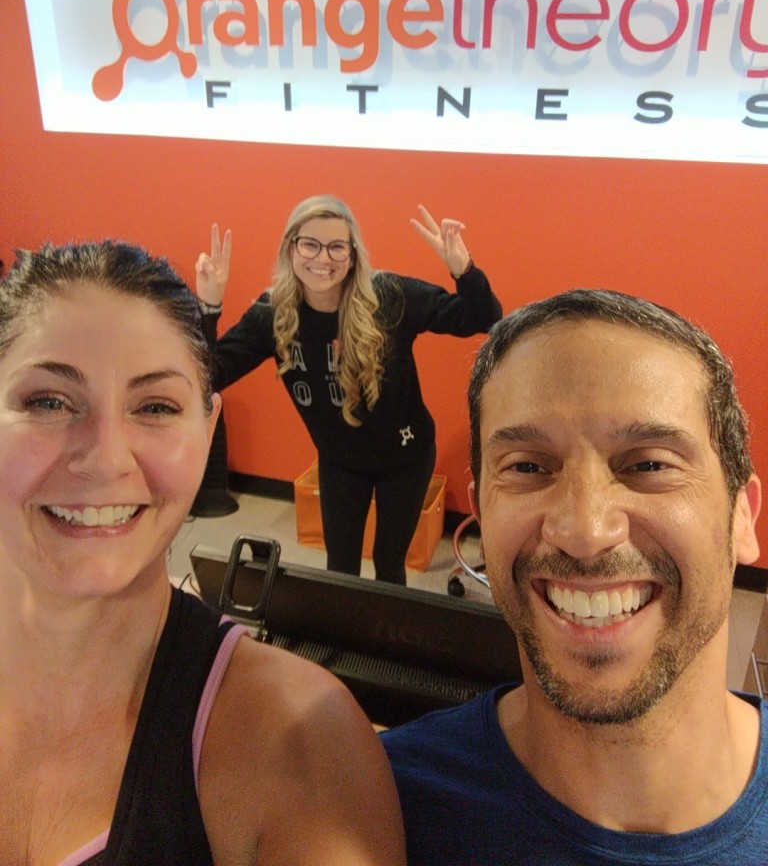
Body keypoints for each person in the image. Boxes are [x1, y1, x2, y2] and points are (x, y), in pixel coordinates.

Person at [0, 240, 405, 866]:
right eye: (48, 402)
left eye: (155, 407)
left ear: (207, 429)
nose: (105, 459)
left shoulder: (299, 742)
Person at [382, 288, 766, 865]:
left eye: (649, 464)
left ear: (742, 517)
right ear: (482, 515)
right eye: (528, 467)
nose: (584, 531)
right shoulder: (380, 812)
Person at [195, 197, 502, 585]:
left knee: (389, 564)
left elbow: (484, 318)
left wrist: (463, 268)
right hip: (340, 462)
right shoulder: (272, 315)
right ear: (290, 248)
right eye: (310, 244)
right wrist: (208, 307)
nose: (323, 258)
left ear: (353, 254)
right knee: (340, 568)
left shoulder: (388, 296)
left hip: (406, 458)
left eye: (337, 246)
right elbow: (206, 377)